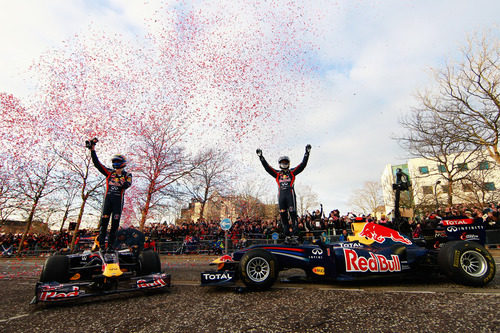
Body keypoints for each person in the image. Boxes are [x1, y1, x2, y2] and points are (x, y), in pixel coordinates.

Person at [256, 144, 311, 243]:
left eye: (286, 162)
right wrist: (261, 157)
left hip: (290, 196)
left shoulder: (292, 172)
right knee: (283, 216)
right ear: (279, 164)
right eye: (282, 162)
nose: (284, 164)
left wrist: (307, 153)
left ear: (289, 163)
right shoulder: (277, 174)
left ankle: (295, 235)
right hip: (281, 197)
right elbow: (267, 168)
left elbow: (302, 165)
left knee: (293, 214)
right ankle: (287, 235)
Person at [87, 138, 132, 252]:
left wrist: (119, 177)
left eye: (117, 161)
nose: (115, 164)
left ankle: (112, 246)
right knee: (103, 224)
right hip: (108, 201)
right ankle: (101, 246)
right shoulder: (108, 172)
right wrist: (93, 150)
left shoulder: (127, 174)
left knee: (114, 225)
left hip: (118, 201)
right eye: (114, 161)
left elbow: (127, 185)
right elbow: (97, 164)